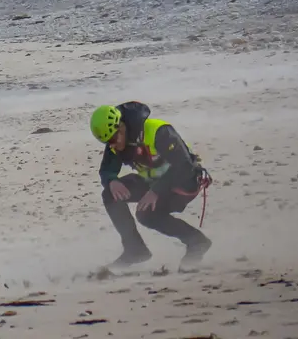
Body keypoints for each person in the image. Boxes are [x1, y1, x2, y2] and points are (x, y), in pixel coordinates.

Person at [90, 101, 212, 270]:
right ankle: (135, 249)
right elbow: (106, 170)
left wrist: (156, 191)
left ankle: (196, 241)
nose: (112, 145)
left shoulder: (159, 131)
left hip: (184, 182)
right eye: (107, 143)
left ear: (121, 127)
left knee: (145, 214)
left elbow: (184, 166)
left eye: (113, 139)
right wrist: (111, 181)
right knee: (110, 195)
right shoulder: (115, 142)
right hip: (153, 183)